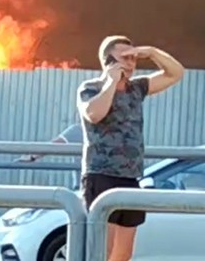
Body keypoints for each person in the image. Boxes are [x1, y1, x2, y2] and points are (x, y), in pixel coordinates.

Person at [77, 35, 185, 261]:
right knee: (101, 252)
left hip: (131, 177)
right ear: (108, 61)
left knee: (123, 254)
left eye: (134, 58)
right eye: (125, 58)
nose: (131, 63)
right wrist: (110, 82)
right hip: (102, 175)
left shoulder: (138, 88)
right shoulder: (90, 88)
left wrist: (153, 52)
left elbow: (176, 73)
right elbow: (94, 114)